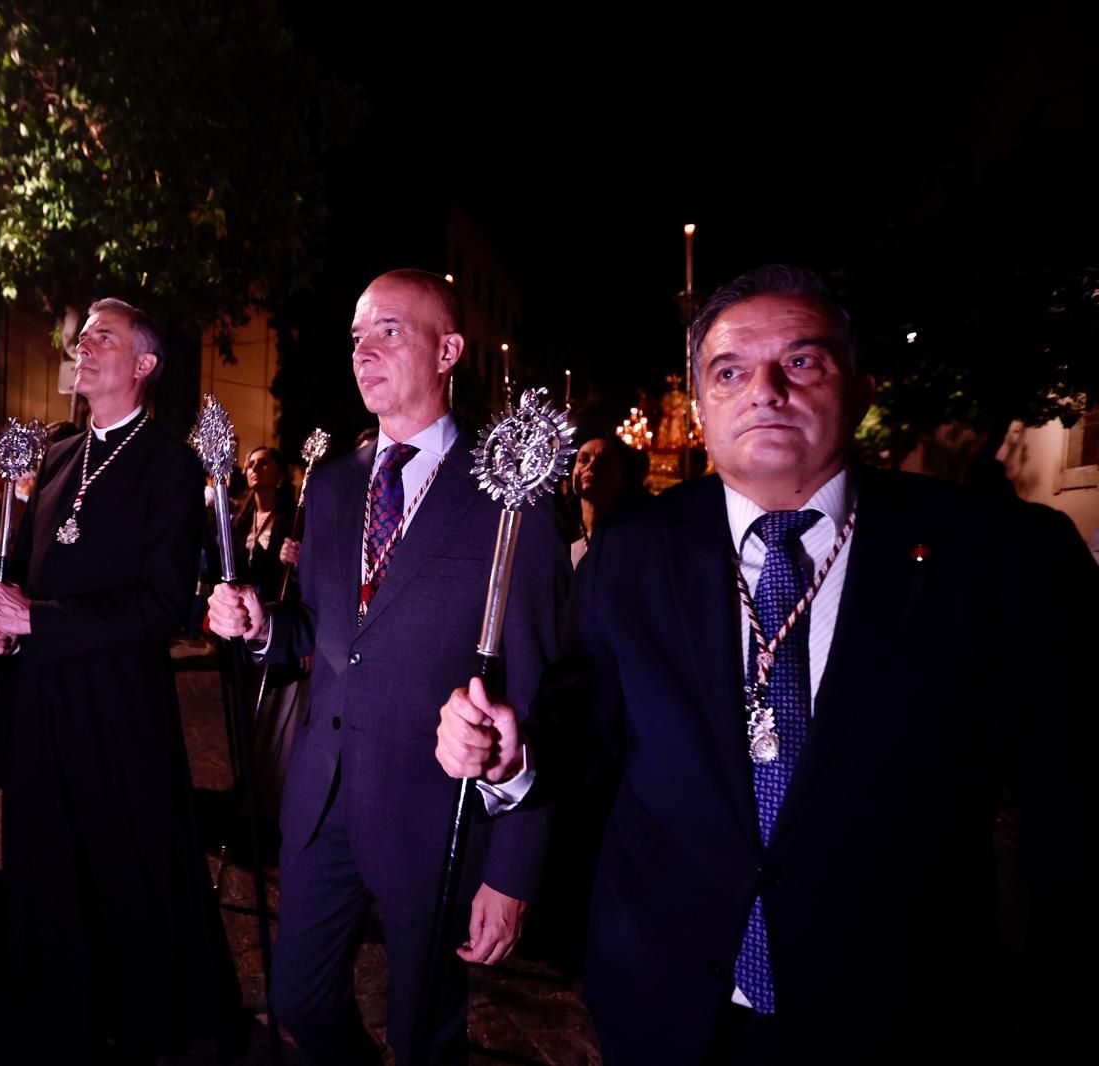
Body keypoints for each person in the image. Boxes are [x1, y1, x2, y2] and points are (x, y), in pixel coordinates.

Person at [437, 264, 1095, 1063]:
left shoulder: (1000, 559)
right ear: (702, 410)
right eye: (729, 371)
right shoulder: (633, 552)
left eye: (802, 362)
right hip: (668, 1004)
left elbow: (1072, 816)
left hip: (897, 1013)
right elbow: (584, 732)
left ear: (859, 391)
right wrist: (517, 753)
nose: (765, 390)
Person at [209, 269, 570, 1064]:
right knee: (297, 999)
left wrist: (513, 868)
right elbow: (322, 630)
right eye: (355, 338)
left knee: (424, 1034)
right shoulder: (335, 487)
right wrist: (261, 622)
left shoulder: (510, 496)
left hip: (435, 814)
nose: (363, 352)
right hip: (323, 798)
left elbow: (542, 699)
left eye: (389, 333)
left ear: (449, 350)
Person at [0, 297, 239, 1061]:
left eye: (105, 338)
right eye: (82, 336)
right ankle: (52, 1003)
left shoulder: (168, 462)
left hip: (120, 704)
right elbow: (26, 572)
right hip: (44, 697)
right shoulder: (56, 456)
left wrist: (40, 622)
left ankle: (132, 1012)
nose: (84, 347)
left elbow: (161, 606)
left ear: (144, 365)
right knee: (44, 852)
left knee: (118, 861)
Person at [228, 445, 303, 821]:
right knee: (242, 710)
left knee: (274, 715)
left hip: (275, 627)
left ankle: (272, 801)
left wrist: (299, 558)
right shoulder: (238, 519)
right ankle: (246, 790)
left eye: (264, 463)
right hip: (238, 635)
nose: (256, 469)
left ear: (279, 474)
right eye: (251, 464)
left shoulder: (293, 519)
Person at [562, 433, 646, 569]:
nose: (591, 466)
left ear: (624, 476)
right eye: (583, 460)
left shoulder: (637, 539)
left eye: (604, 461)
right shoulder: (560, 531)